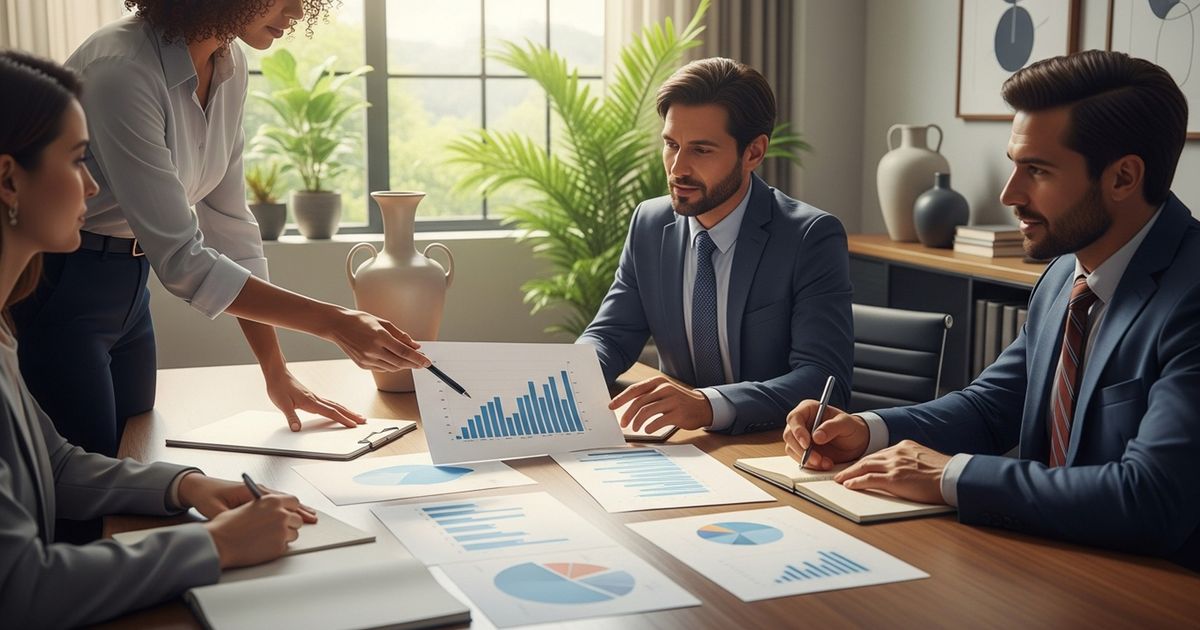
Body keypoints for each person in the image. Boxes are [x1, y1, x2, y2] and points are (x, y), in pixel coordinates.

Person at [783, 50, 1200, 570]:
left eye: (1037, 170)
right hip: (1052, 565)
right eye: (1014, 165)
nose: (1009, 193)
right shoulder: (1063, 276)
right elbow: (990, 407)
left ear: (1122, 178)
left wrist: (949, 476)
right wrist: (867, 431)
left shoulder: (1190, 294)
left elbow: (1151, 498)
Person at [10, 0, 431, 460]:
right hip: (61, 284)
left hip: (131, 288)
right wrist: (335, 323)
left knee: (131, 457)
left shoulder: (229, 64)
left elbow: (231, 230)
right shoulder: (122, 68)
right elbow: (182, 260)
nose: (295, 10)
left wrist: (275, 369)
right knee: (83, 483)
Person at [0, 49, 321, 628]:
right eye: (77, 161)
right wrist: (216, 546)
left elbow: (59, 465)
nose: (95, 185)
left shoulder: (3, 333)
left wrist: (186, 484)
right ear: (8, 180)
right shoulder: (124, 68)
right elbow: (23, 587)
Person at [578, 57, 853, 436]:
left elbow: (825, 381)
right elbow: (610, 335)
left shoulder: (810, 238)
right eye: (671, 145)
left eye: (701, 150)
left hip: (771, 446)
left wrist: (709, 406)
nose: (677, 168)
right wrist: (567, 377)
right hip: (681, 445)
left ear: (753, 153)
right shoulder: (650, 223)